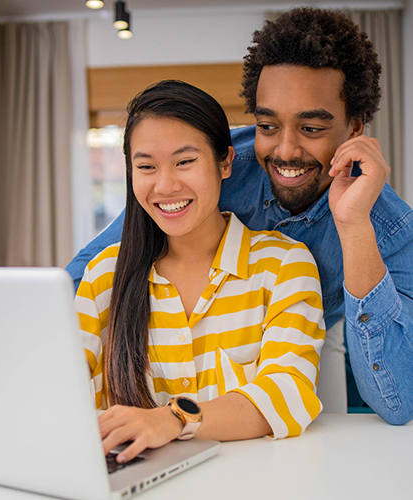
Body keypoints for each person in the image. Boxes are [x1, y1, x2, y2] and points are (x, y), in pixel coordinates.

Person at [68, 7, 413, 425]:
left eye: (311, 129)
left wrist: (354, 226)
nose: (284, 151)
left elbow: (398, 402)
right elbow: (97, 269)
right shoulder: (209, 161)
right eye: (268, 125)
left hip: (322, 332)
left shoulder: (390, 229)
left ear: (354, 127)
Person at [74, 80, 325, 463]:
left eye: (185, 161)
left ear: (225, 162)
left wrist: (172, 420)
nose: (165, 185)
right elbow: (60, 391)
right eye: (145, 167)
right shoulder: (106, 274)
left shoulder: (283, 265)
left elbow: (288, 391)